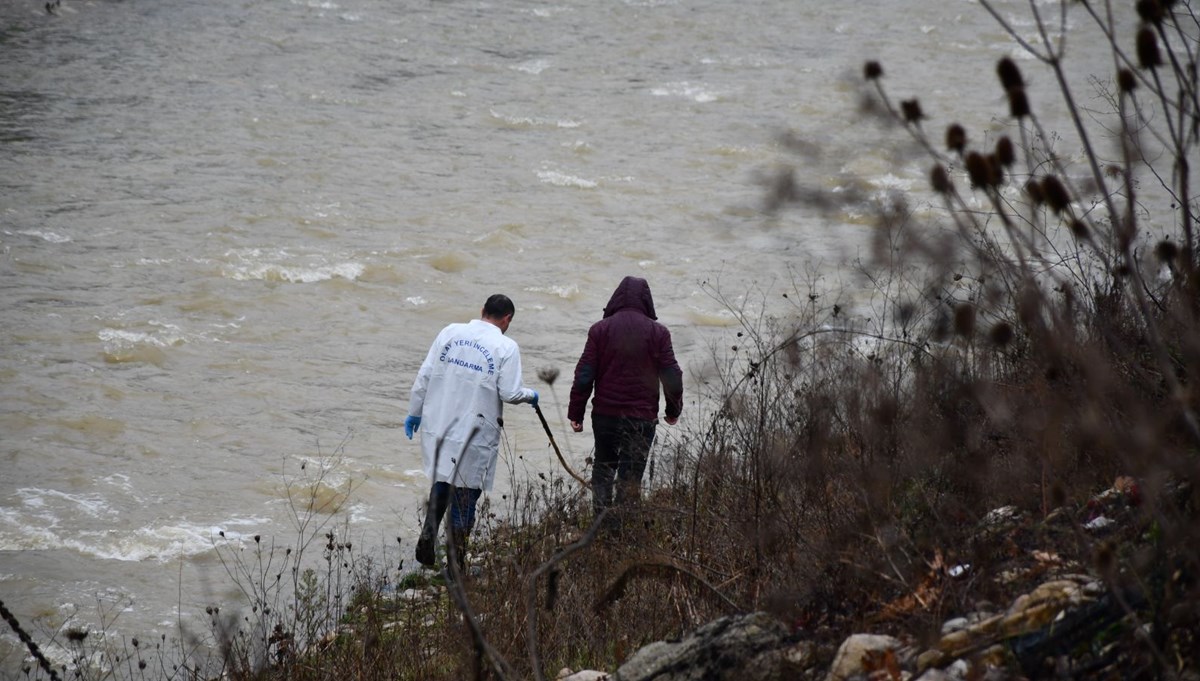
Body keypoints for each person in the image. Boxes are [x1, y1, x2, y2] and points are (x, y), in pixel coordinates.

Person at [404, 294, 539, 572]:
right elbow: (510, 393)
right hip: (475, 432)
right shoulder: (506, 346)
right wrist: (531, 395)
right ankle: (455, 567)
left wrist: (414, 412)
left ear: (482, 311)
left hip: (440, 423)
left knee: (443, 478)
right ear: (507, 319)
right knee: (465, 496)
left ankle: (428, 535)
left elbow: (424, 376)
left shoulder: (450, 332)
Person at [568, 276, 683, 532]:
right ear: (647, 301)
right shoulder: (659, 333)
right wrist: (672, 410)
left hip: (605, 415)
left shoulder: (600, 330)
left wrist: (576, 412)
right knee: (631, 476)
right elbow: (673, 376)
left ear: (616, 299)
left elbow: (585, 374)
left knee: (603, 469)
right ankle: (622, 534)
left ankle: (601, 530)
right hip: (641, 419)